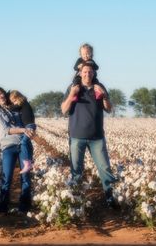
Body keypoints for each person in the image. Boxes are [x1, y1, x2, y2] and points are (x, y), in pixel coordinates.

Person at [61, 62, 119, 209]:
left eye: (90, 72)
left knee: (104, 168)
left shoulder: (99, 88)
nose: (87, 74)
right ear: (80, 73)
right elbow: (64, 110)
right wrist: (72, 95)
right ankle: (77, 200)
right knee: (76, 170)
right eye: (85, 72)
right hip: (77, 136)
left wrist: (105, 97)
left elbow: (109, 109)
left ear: (94, 74)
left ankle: (110, 198)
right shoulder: (73, 88)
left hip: (97, 137)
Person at [0, 86, 35, 213]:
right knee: (7, 176)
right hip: (8, 146)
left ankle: (24, 206)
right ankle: (3, 207)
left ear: (5, 94)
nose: (0, 97)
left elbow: (28, 116)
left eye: (1, 94)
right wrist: (23, 130)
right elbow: (5, 130)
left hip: (24, 144)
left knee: (25, 176)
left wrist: (29, 128)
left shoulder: (15, 104)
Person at [8, 90, 35, 174]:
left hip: (29, 126)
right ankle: (30, 161)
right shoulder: (25, 103)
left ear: (18, 98)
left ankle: (27, 163)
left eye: (14, 100)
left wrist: (7, 107)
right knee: (26, 142)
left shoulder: (23, 103)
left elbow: (14, 108)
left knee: (23, 142)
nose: (14, 103)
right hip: (28, 126)